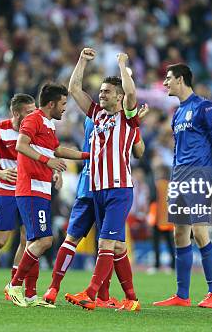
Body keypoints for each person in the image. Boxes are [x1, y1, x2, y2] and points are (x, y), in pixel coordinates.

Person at [44, 104, 148, 307]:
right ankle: (104, 295)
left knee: (74, 239)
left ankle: (53, 288)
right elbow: (139, 151)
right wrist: (134, 124)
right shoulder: (119, 120)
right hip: (107, 186)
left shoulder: (92, 116)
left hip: (86, 184)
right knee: (111, 243)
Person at [64, 48, 142, 312]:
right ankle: (131, 299)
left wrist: (122, 64)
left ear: (119, 98)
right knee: (117, 246)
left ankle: (91, 293)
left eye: (107, 92)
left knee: (105, 244)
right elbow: (74, 88)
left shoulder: (128, 117)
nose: (102, 94)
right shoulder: (96, 114)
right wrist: (82, 61)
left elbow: (131, 94)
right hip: (97, 189)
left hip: (119, 189)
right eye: (102, 91)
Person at [6, 83, 88, 308]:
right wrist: (47, 162)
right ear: (51, 104)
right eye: (63, 104)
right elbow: (21, 145)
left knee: (35, 241)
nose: (65, 108)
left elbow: (57, 150)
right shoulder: (33, 119)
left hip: (41, 189)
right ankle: (14, 285)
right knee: (44, 240)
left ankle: (31, 295)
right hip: (30, 188)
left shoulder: (48, 124)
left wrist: (87, 155)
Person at [153, 63, 212, 308]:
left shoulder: (204, 107)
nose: (165, 83)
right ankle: (182, 295)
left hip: (200, 175)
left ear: (181, 79)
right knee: (180, 233)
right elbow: (177, 152)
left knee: (199, 231)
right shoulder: (177, 113)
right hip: (180, 178)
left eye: (168, 78)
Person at [0, 94, 36, 300]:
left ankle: (13, 284)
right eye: (29, 112)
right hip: (5, 190)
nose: (33, 115)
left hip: (28, 190)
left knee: (28, 238)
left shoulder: (35, 129)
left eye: (34, 111)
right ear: (16, 113)